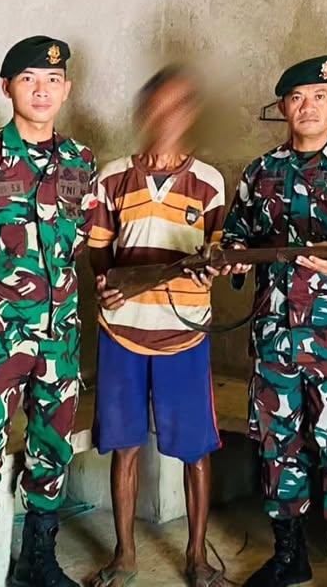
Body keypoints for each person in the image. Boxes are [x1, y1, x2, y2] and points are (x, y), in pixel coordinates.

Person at [221, 55, 327, 587]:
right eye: (297, 98)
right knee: (278, 445)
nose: (308, 107)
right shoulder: (260, 172)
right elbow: (236, 235)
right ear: (283, 108)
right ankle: (288, 554)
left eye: (319, 96)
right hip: (274, 335)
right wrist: (233, 257)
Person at [0, 36, 97, 587]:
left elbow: (81, 237)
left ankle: (38, 561)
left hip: (60, 338)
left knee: (52, 449)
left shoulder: (80, 161)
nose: (41, 90)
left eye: (52, 80)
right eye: (29, 79)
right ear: (7, 87)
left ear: (66, 90)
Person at [86, 66, 227, 587]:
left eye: (180, 106)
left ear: (191, 114)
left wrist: (215, 267)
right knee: (124, 446)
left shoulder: (209, 181)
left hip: (184, 333)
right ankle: (125, 555)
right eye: (159, 106)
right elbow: (98, 250)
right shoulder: (112, 176)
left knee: (196, 450)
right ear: (145, 112)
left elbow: (218, 251)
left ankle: (197, 557)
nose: (169, 116)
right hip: (122, 332)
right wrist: (106, 283)